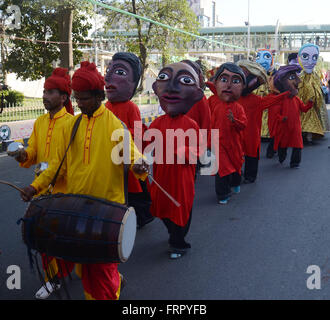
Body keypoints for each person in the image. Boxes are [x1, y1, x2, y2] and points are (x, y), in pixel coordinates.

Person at [20, 61, 149, 300]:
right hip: (78, 209)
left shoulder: (115, 126)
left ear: (98, 96)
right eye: (77, 98)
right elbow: (58, 167)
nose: (79, 104)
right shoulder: (74, 125)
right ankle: (112, 284)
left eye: (84, 99)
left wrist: (140, 165)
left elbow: (133, 156)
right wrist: (34, 186)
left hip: (106, 212)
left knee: (100, 270)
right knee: (85, 266)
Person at [8, 67, 75, 299]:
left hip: (63, 192)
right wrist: (22, 155)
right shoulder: (40, 122)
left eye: (51, 92)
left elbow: (60, 165)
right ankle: (54, 277)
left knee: (58, 237)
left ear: (64, 97)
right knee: (45, 237)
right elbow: (34, 152)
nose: (45, 96)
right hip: (41, 190)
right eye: (44, 91)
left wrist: (34, 187)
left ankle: (58, 278)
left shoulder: (71, 124)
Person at [147, 62, 204, 259]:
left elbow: (197, 150)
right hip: (161, 176)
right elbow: (146, 144)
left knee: (180, 209)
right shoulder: (157, 123)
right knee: (161, 208)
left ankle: (178, 243)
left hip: (181, 178)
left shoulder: (191, 124)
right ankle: (174, 233)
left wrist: (179, 150)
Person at [105, 52, 154, 229]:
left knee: (137, 191)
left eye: (119, 72)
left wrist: (120, 134)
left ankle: (143, 217)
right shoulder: (106, 107)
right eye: (108, 69)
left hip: (130, 158)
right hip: (113, 159)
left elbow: (137, 132)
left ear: (134, 83)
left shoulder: (130, 107)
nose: (108, 75)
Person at [236, 60, 288, 183]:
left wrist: (285, 93)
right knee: (238, 154)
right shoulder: (234, 98)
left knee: (250, 154)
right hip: (238, 132)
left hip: (251, 134)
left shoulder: (256, 100)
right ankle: (240, 175)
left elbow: (273, 99)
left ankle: (248, 176)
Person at [209, 62, 247, 205]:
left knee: (236, 166)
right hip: (219, 145)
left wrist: (234, 121)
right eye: (224, 80)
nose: (229, 85)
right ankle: (222, 194)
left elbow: (243, 125)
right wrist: (208, 143)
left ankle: (236, 183)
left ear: (242, 87)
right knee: (222, 169)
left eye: (235, 81)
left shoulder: (238, 108)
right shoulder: (214, 104)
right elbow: (211, 124)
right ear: (217, 83)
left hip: (234, 144)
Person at [273, 65, 314, 168]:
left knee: (298, 144)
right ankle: (281, 156)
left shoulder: (296, 99)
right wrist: (282, 118)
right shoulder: (280, 99)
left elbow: (303, 109)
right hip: (284, 127)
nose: (298, 81)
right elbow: (275, 114)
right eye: (292, 78)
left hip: (295, 127)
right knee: (283, 144)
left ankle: (295, 162)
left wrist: (309, 104)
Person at [298, 43, 330, 144]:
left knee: (311, 118)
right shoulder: (299, 76)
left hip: (311, 105)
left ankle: (308, 136)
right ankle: (304, 136)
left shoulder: (315, 75)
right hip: (301, 105)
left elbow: (318, 88)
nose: (310, 61)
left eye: (314, 57)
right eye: (305, 57)